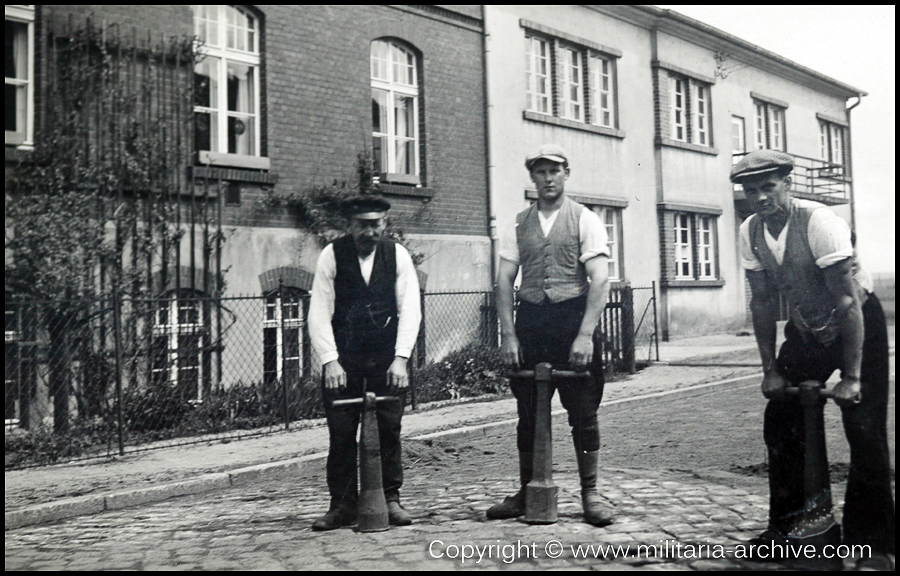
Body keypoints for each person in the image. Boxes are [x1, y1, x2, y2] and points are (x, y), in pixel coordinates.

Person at [733, 149, 894, 569]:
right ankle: (787, 531)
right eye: (752, 190)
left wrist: (852, 377)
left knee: (863, 427)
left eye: (769, 187)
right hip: (807, 327)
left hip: (858, 322)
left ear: (787, 183)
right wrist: (771, 369)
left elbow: (848, 302)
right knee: (780, 415)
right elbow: (763, 302)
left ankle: (874, 544)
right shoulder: (750, 230)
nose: (761, 197)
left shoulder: (821, 222)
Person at [488, 144, 614, 527]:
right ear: (533, 178)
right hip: (531, 325)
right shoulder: (518, 223)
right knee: (528, 415)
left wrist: (585, 335)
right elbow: (505, 280)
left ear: (566, 173)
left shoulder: (584, 219)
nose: (547, 178)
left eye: (554, 171)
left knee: (583, 413)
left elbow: (600, 279)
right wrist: (509, 336)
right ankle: (528, 490)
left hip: (570, 322)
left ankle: (590, 492)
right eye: (540, 172)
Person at [308, 194, 422, 531]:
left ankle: (390, 499)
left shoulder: (397, 254)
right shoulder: (332, 255)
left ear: (384, 224)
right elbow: (318, 312)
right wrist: (329, 360)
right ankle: (342, 505)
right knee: (341, 434)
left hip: (387, 359)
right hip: (345, 359)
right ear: (349, 226)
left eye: (375, 225)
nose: (369, 233)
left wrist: (401, 359)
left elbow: (410, 310)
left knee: (389, 430)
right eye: (362, 226)